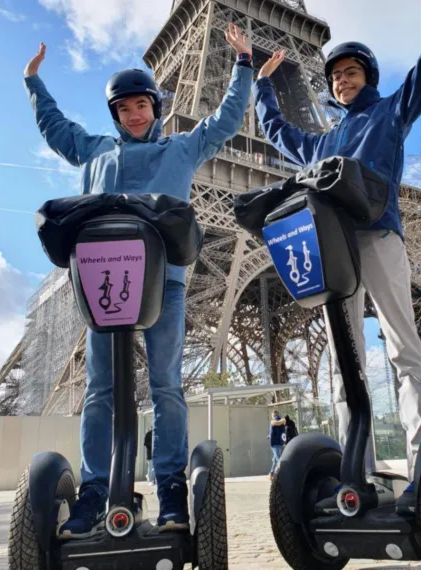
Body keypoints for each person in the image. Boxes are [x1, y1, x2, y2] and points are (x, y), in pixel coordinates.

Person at [24, 24, 253, 537]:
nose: (134, 114)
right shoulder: (95, 150)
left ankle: (170, 483)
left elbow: (225, 121)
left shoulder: (180, 150)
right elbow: (56, 128)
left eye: (142, 105)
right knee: (100, 390)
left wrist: (242, 65)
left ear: (156, 107)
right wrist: (34, 82)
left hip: (164, 282)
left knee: (167, 385)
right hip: (103, 282)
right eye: (125, 108)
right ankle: (94, 488)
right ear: (116, 114)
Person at [252, 0, 421, 515]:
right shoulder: (324, 140)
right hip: (334, 247)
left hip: (378, 237)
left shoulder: (389, 111)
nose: (341, 81)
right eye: (335, 76)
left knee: (403, 349)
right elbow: (278, 133)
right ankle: (360, 470)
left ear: (367, 76)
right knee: (344, 366)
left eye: (350, 72)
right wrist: (258, 81)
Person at [268, 410, 285, 478]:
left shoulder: (273, 421)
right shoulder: (282, 421)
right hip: (280, 442)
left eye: (272, 415)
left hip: (275, 442)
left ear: (273, 415)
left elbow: (274, 424)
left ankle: (283, 473)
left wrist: (271, 439)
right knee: (275, 459)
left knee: (278, 459)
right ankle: (271, 473)